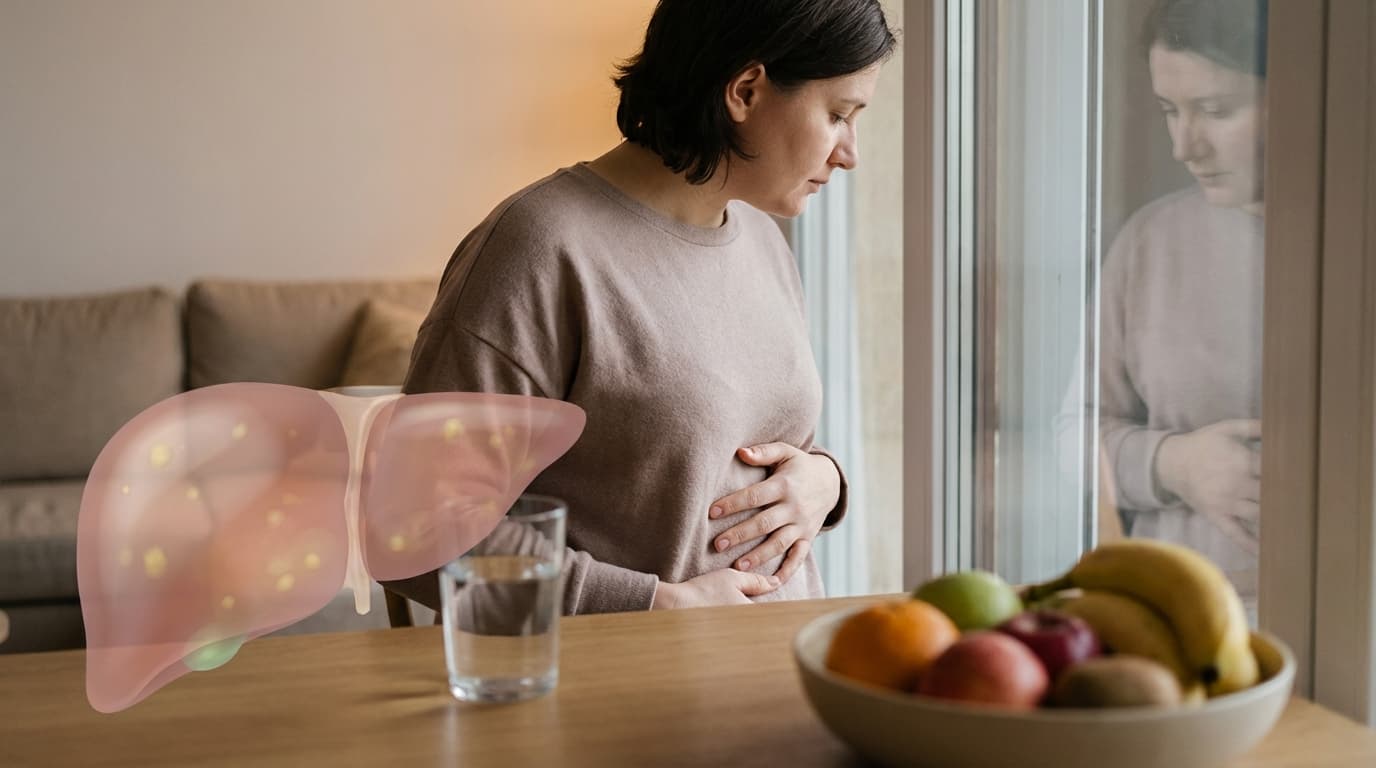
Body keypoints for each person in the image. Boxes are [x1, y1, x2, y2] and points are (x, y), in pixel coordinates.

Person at [382, 0, 898, 615]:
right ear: (746, 91)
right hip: (624, 691)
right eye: (838, 115)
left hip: (778, 675)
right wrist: (651, 605)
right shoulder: (541, 247)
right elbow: (413, 529)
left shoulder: (761, 240)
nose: (850, 153)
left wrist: (824, 481)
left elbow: (740, 451)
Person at [1093, 0, 1267, 601]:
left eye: (1217, 110)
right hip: (1176, 611)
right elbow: (1073, 433)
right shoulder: (1150, 241)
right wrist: (1177, 465)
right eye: (1171, 110)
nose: (1184, 147)